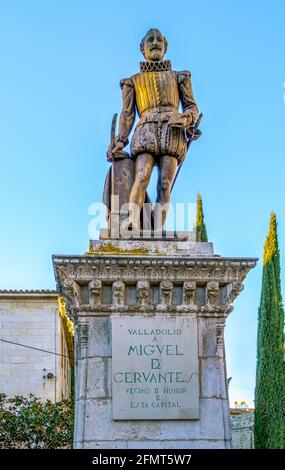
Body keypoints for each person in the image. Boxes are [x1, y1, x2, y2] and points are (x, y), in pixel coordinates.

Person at [111, 28, 199, 231]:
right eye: (150, 39)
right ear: (142, 49)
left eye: (160, 39)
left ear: (166, 46)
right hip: (146, 131)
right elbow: (127, 115)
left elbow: (192, 106)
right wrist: (120, 141)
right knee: (142, 176)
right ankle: (132, 221)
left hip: (173, 132)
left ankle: (156, 228)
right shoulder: (132, 81)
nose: (155, 42)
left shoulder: (180, 77)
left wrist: (185, 118)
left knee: (164, 185)